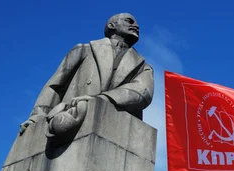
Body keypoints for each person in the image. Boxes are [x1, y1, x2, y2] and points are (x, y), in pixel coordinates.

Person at [18, 13, 153, 135]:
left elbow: (143, 91)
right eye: (129, 21)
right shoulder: (84, 50)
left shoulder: (143, 65)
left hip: (115, 126)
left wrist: (101, 98)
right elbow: (55, 86)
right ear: (112, 25)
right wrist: (38, 116)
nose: (136, 26)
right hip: (69, 118)